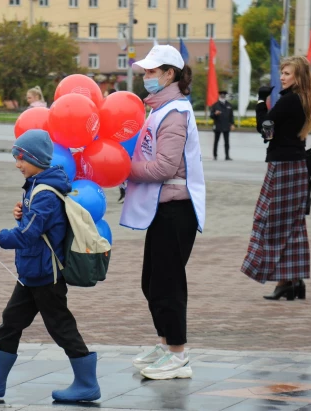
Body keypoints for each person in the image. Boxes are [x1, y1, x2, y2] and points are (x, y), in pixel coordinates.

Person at [0, 129, 100, 403]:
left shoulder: (44, 193)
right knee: (11, 323)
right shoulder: (36, 186)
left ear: (35, 158)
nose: (17, 163)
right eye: (16, 157)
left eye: (21, 157)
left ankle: (87, 382)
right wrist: (22, 214)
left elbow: (27, 236)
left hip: (46, 276)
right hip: (31, 273)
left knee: (61, 327)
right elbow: (33, 227)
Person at [120, 45, 205, 380]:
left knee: (167, 284)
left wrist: (124, 168)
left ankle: (178, 354)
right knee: (151, 282)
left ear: (170, 74)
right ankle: (164, 343)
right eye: (145, 71)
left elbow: (165, 166)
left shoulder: (175, 113)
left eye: (152, 72)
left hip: (176, 208)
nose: (146, 77)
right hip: (162, 209)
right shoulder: (160, 109)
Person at [241, 55, 311, 301]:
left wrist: (260, 101)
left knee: (271, 222)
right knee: (292, 224)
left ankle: (287, 281)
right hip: (296, 166)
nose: (282, 77)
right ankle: (294, 282)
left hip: (283, 167)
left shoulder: (289, 101)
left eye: (287, 74)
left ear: (298, 77)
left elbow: (266, 130)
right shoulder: (303, 99)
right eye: (282, 73)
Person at [209, 90, 235, 161]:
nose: (223, 96)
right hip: (218, 125)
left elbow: (231, 116)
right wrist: (215, 114)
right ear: (219, 96)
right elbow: (211, 115)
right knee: (216, 141)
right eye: (221, 95)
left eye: (224, 95)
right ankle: (215, 155)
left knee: (227, 142)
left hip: (226, 126)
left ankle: (227, 156)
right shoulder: (215, 105)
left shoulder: (229, 105)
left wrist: (232, 124)